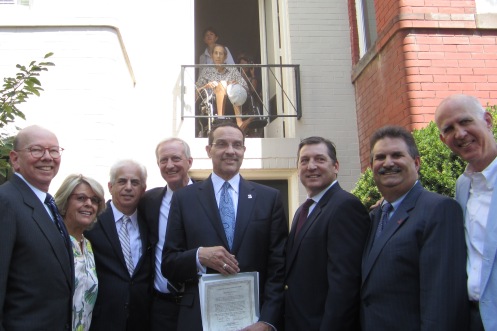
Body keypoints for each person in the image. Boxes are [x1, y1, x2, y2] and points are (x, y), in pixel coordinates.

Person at [163, 121, 288, 330]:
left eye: (237, 145)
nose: (230, 151)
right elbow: (168, 263)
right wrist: (198, 256)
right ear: (209, 150)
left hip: (253, 320)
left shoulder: (269, 198)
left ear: (244, 151)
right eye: (222, 144)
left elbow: (278, 267)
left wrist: (268, 320)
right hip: (198, 320)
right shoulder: (184, 199)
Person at [361, 125, 469, 330]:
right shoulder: (375, 216)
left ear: (416, 162)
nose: (388, 163)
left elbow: (441, 301)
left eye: (397, 155)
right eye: (380, 157)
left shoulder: (439, 210)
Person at [284, 136, 370, 331]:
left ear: (336, 166)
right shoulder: (302, 211)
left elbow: (345, 285)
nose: (311, 166)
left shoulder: (345, 206)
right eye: (304, 161)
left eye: (320, 159)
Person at [0, 125, 73, 330]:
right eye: (37, 150)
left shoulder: (48, 204)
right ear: (15, 159)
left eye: (54, 150)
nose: (47, 157)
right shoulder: (5, 202)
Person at [435, 94, 497, 331]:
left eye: (465, 121)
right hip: (474, 318)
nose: (460, 134)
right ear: (443, 140)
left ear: (488, 121)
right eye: (449, 128)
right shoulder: (463, 185)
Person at [85, 160, 152, 331]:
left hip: (142, 319)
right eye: (122, 181)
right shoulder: (92, 222)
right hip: (102, 320)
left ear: (143, 189)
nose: (128, 187)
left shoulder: (151, 222)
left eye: (135, 182)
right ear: (110, 186)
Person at [139, 138, 193, 331]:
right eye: (163, 160)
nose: (169, 165)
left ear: (190, 161)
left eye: (176, 158)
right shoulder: (149, 201)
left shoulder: (208, 197)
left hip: (197, 306)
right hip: (161, 308)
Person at [55, 174, 106, 331]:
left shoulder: (88, 245)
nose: (89, 204)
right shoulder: (53, 240)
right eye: (81, 198)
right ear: (65, 201)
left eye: (94, 200)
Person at [196, 44, 248, 132]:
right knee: (223, 83)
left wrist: (237, 84)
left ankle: (239, 122)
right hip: (211, 101)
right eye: (216, 53)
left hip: (232, 101)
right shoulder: (206, 71)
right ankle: (220, 119)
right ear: (212, 56)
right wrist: (207, 85)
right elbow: (197, 90)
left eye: (221, 54)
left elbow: (245, 87)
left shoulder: (232, 70)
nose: (218, 56)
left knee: (233, 88)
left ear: (225, 57)